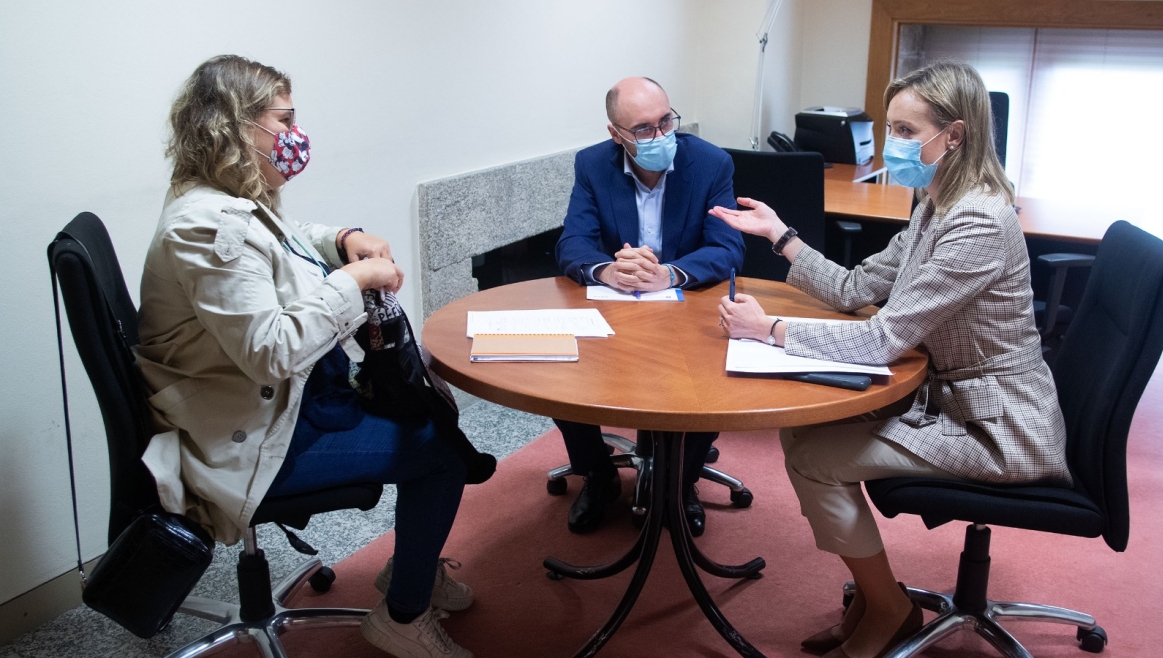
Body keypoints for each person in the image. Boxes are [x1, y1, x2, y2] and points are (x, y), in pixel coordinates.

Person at [710, 61, 1071, 658]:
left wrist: (768, 328)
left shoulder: (976, 220)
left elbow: (880, 341)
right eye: (891, 129)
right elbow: (856, 287)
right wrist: (779, 234)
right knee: (803, 431)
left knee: (818, 459)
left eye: (907, 132)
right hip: (954, 399)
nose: (891, 145)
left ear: (953, 136)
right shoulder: (935, 203)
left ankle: (888, 608)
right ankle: (882, 597)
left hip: (1001, 428)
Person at [135, 55, 474, 658]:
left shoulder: (220, 199)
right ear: (239, 128)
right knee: (441, 449)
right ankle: (403, 613)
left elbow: (279, 245)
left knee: (431, 413)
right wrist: (355, 280)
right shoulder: (207, 229)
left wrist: (342, 241)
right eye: (283, 121)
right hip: (244, 440)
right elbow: (271, 352)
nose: (296, 136)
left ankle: (412, 569)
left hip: (266, 409)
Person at [553, 76, 744, 536]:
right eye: (642, 129)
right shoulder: (593, 165)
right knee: (559, 372)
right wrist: (608, 270)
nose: (660, 136)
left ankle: (681, 484)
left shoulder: (709, 163)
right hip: (614, 305)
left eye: (666, 121)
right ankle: (598, 476)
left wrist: (669, 273)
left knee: (706, 378)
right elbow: (571, 243)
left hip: (686, 304)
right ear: (615, 133)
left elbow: (728, 247)